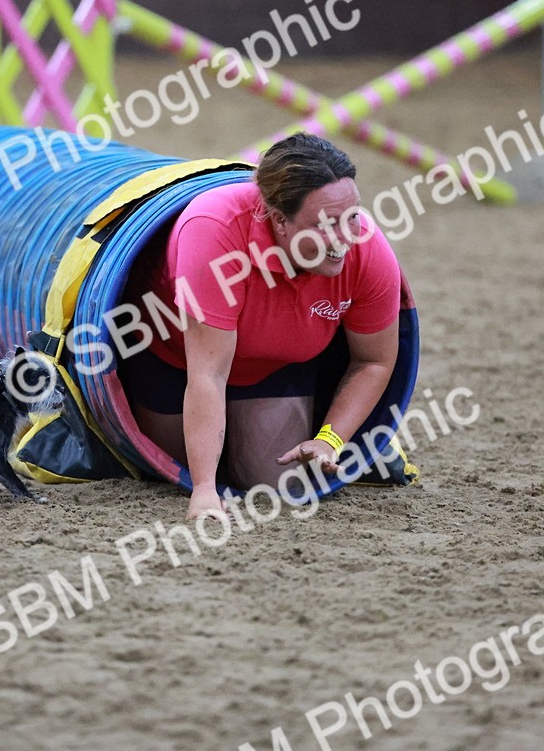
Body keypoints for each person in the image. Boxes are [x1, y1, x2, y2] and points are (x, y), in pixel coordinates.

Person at [123, 133, 403, 521]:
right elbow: (209, 373)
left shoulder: (367, 249)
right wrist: (204, 490)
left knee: (280, 485)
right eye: (326, 225)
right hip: (177, 361)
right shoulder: (214, 228)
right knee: (170, 468)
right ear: (279, 221)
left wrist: (330, 439)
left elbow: (374, 361)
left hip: (272, 365)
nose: (346, 240)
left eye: (352, 216)